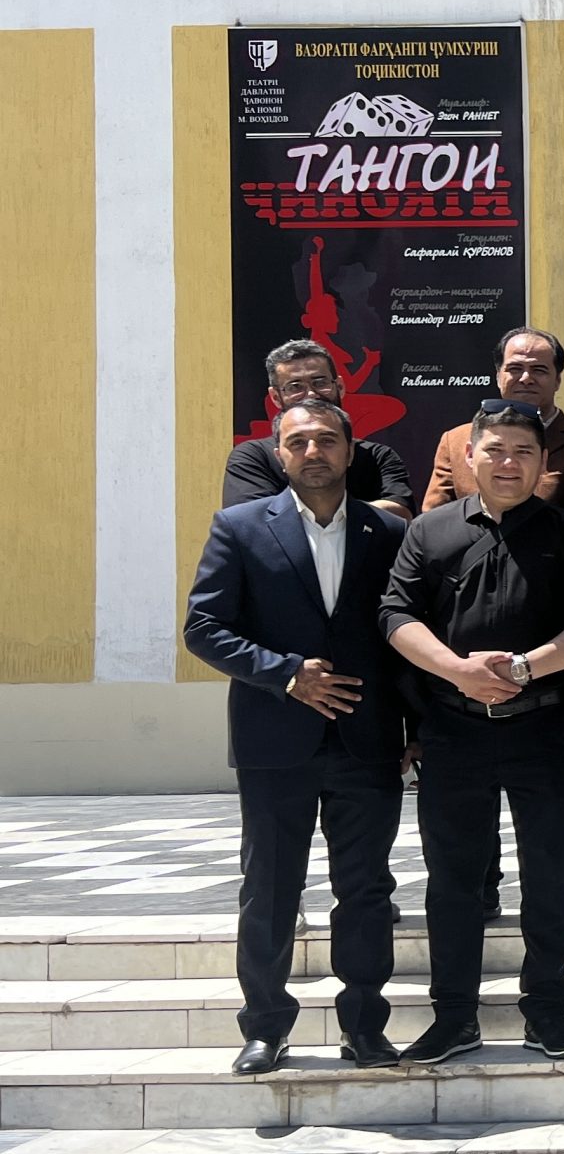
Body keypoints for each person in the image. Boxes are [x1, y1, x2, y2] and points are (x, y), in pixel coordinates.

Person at [380, 399, 564, 1065]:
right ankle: (454, 1016)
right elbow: (396, 615)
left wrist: (522, 668)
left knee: (551, 878)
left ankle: (547, 1011)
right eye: (496, 449)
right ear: (470, 455)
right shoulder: (428, 532)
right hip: (453, 734)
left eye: (524, 451)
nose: (508, 463)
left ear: (543, 463)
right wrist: (457, 671)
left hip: (543, 731)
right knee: (452, 882)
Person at [184, 399, 408, 1076]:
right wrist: (286, 675)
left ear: (350, 450)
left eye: (327, 439)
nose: (314, 451)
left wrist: (419, 728)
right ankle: (264, 1029)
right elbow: (204, 628)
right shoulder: (240, 527)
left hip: (368, 741)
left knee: (365, 891)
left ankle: (365, 1027)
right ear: (279, 453)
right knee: (270, 889)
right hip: (275, 742)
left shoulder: (388, 533)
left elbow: (408, 637)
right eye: (299, 441)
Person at [421, 327, 564, 523]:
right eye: (515, 369)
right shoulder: (455, 441)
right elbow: (434, 521)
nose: (526, 379)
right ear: (498, 377)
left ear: (558, 380)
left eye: (539, 370)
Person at [223, 339, 414, 519]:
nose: (311, 394)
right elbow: (250, 521)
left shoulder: (378, 456)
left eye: (320, 382)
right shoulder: (253, 457)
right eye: (295, 386)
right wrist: (351, 515)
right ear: (275, 397)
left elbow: (400, 514)